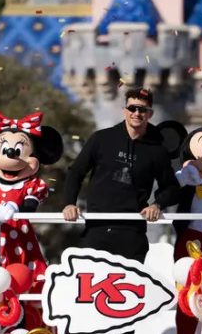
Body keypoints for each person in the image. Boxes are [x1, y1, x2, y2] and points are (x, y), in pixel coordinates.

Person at [62, 87, 181, 263]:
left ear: (150, 114)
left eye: (143, 109)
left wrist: (157, 205)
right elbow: (76, 172)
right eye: (132, 108)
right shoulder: (101, 139)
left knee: (131, 288)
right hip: (97, 227)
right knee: (92, 284)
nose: (137, 113)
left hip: (132, 232)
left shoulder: (158, 151)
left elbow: (171, 188)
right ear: (125, 110)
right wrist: (69, 203)